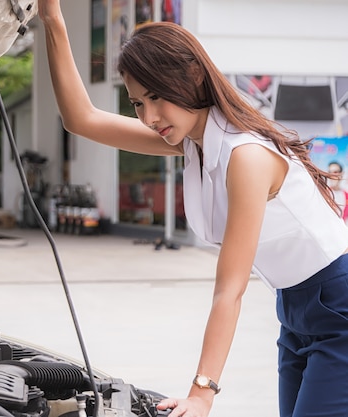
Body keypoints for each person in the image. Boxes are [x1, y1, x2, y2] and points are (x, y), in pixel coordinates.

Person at [37, 1, 348, 416]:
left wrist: (202, 392)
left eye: (156, 96)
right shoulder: (193, 142)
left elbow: (230, 288)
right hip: (294, 309)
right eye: (136, 103)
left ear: (193, 76)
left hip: (338, 307)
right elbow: (82, 119)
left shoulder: (246, 155)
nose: (148, 116)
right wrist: (52, 19)